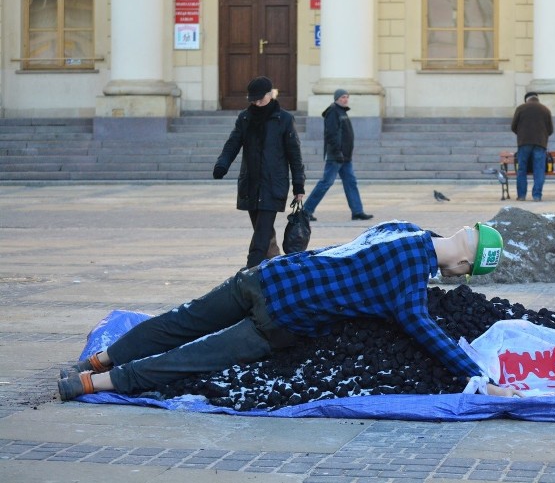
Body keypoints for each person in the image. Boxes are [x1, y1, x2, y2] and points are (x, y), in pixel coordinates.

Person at [57, 222, 522, 400]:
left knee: (181, 321)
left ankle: (98, 360)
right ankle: (91, 384)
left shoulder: (401, 229)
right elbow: (428, 333)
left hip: (267, 276)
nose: (456, 280)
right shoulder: (408, 283)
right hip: (284, 318)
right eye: (462, 273)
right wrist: (482, 380)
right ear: (462, 264)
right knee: (195, 359)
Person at [213, 76, 306, 268]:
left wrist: (299, 185)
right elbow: (233, 143)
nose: (256, 103)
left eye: (259, 99)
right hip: (251, 184)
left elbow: (294, 155)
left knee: (262, 233)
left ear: (270, 94)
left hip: (274, 184)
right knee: (263, 232)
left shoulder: (284, 119)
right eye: (253, 99)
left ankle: (250, 270)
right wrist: (222, 164)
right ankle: (279, 269)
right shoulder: (245, 118)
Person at [303, 88, 373, 222]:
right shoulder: (333, 112)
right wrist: (337, 152)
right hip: (336, 156)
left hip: (345, 157)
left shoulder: (342, 112)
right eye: (342, 97)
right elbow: (331, 134)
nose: (345, 99)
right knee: (326, 183)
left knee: (351, 182)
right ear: (336, 99)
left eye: (347, 97)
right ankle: (306, 211)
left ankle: (357, 212)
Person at [511, 91, 553, 202]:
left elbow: (513, 126)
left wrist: (522, 134)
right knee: (539, 169)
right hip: (540, 143)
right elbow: (550, 130)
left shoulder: (521, 108)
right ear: (537, 99)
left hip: (524, 143)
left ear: (526, 99)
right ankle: (537, 196)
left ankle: (521, 196)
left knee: (522, 169)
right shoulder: (545, 109)